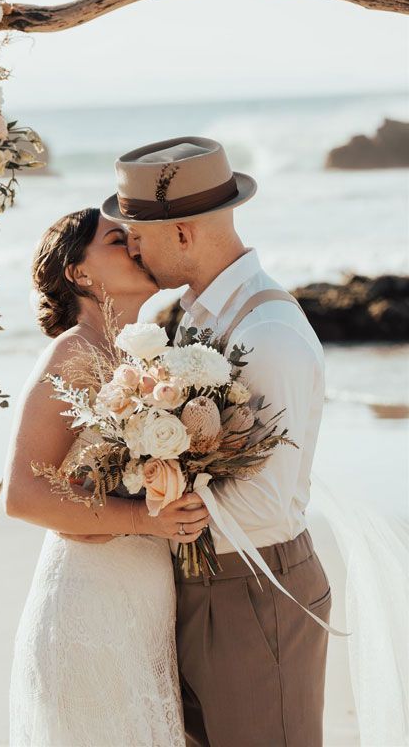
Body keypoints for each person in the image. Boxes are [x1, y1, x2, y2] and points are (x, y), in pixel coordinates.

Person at [100, 135, 333, 747]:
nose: (132, 248)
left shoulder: (269, 331)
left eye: (139, 236)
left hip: (256, 594)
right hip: (204, 586)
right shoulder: (196, 316)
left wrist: (147, 507)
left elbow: (265, 504)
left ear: (182, 234)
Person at [2, 207, 209, 747]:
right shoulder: (73, 354)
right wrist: (147, 518)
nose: (137, 248)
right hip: (87, 610)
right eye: (119, 240)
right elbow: (23, 495)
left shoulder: (146, 358)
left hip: (141, 604)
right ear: (79, 274)